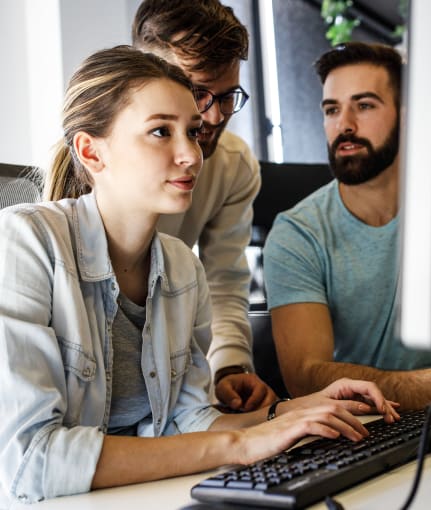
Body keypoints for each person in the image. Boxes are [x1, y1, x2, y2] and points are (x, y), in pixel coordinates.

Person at [0, 45, 400, 506]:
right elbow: (32, 458)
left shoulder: (179, 265)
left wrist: (298, 409)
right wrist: (242, 445)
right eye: (160, 132)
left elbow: (188, 423)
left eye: (191, 132)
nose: (191, 153)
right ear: (92, 151)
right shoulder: (25, 241)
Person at [263, 42, 431, 411]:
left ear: (406, 115)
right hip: (365, 426)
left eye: (364, 105)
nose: (344, 124)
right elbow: (304, 378)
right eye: (332, 109)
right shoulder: (296, 234)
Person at [130, 0, 275, 412]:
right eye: (197, 93)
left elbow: (224, 282)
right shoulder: (84, 165)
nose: (213, 117)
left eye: (228, 96)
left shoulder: (233, 164)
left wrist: (228, 366)